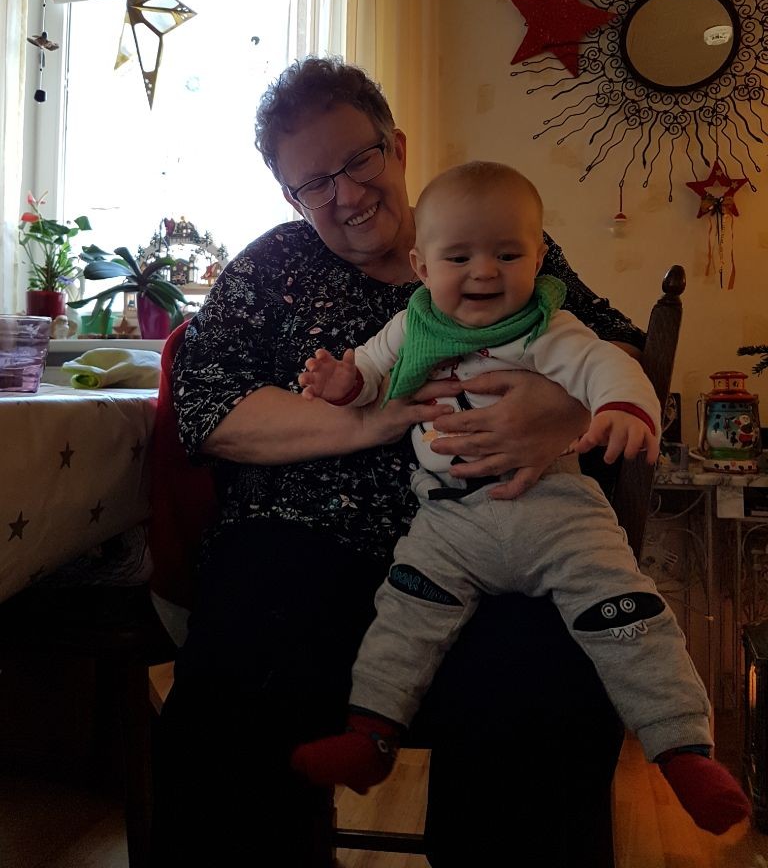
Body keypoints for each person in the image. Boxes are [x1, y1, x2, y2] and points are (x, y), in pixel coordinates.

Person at [152, 56, 666, 867]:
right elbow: (206, 406)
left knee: (549, 684)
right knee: (237, 683)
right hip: (301, 540)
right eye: (313, 183)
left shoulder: (487, 230)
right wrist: (372, 421)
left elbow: (623, 348)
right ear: (290, 197)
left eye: (359, 160)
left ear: (396, 145)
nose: (346, 194)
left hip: (500, 542)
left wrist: (561, 410)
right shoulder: (272, 265)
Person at [289, 162, 750, 836]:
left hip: (555, 510)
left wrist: (624, 407)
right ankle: (373, 733)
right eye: (459, 257)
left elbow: (606, 364)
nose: (484, 271)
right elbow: (369, 374)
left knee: (627, 615)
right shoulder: (409, 326)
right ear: (422, 266)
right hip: (449, 519)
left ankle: (682, 749)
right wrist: (341, 383)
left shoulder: (546, 327)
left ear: (538, 260)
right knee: (405, 611)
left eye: (507, 255)